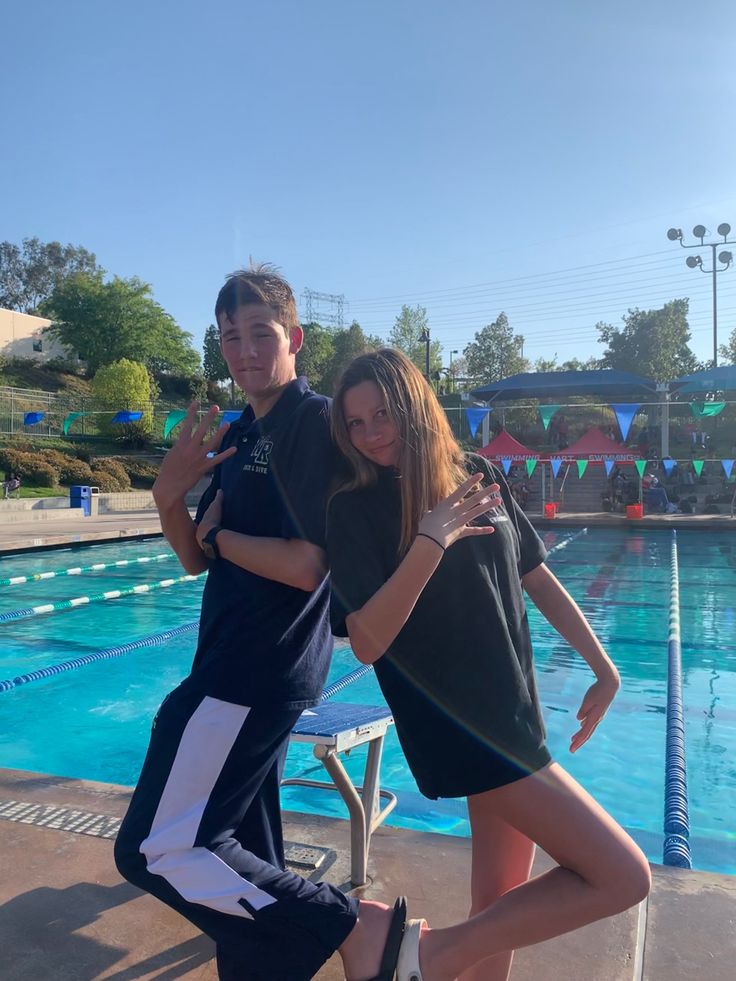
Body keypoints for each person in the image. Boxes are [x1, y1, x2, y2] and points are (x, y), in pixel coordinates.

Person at [114, 267, 415, 981]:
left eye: (260, 333)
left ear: (295, 340)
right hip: (229, 656)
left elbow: (309, 564)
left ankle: (357, 928)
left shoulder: (311, 424)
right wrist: (167, 497)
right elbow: (195, 556)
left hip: (258, 667)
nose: (244, 350)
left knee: (157, 847)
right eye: (229, 337)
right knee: (242, 859)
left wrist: (220, 539)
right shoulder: (240, 428)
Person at [326, 349, 650, 981]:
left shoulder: (472, 471)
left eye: (383, 414)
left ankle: (426, 960)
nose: (371, 434)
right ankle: (420, 955)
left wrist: (602, 665)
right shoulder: (353, 507)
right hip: (464, 723)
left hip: (513, 710)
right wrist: (430, 539)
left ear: (417, 408)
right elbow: (365, 641)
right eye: (356, 423)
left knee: (500, 902)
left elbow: (533, 571)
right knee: (622, 875)